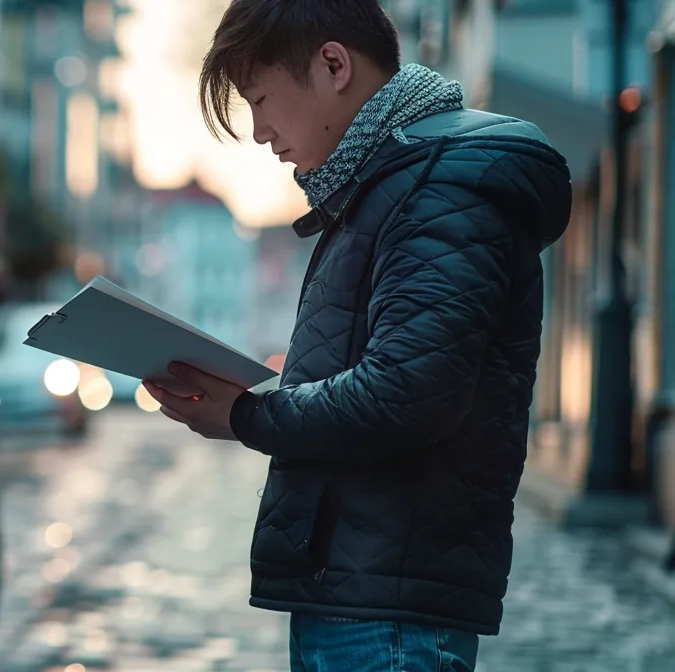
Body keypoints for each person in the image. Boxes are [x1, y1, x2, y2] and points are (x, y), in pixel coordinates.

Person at [141, 1, 571, 670]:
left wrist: (248, 414)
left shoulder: (439, 190)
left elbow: (409, 391)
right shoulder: (386, 187)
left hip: (387, 613)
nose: (259, 132)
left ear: (333, 65)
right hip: (358, 593)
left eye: (261, 100)